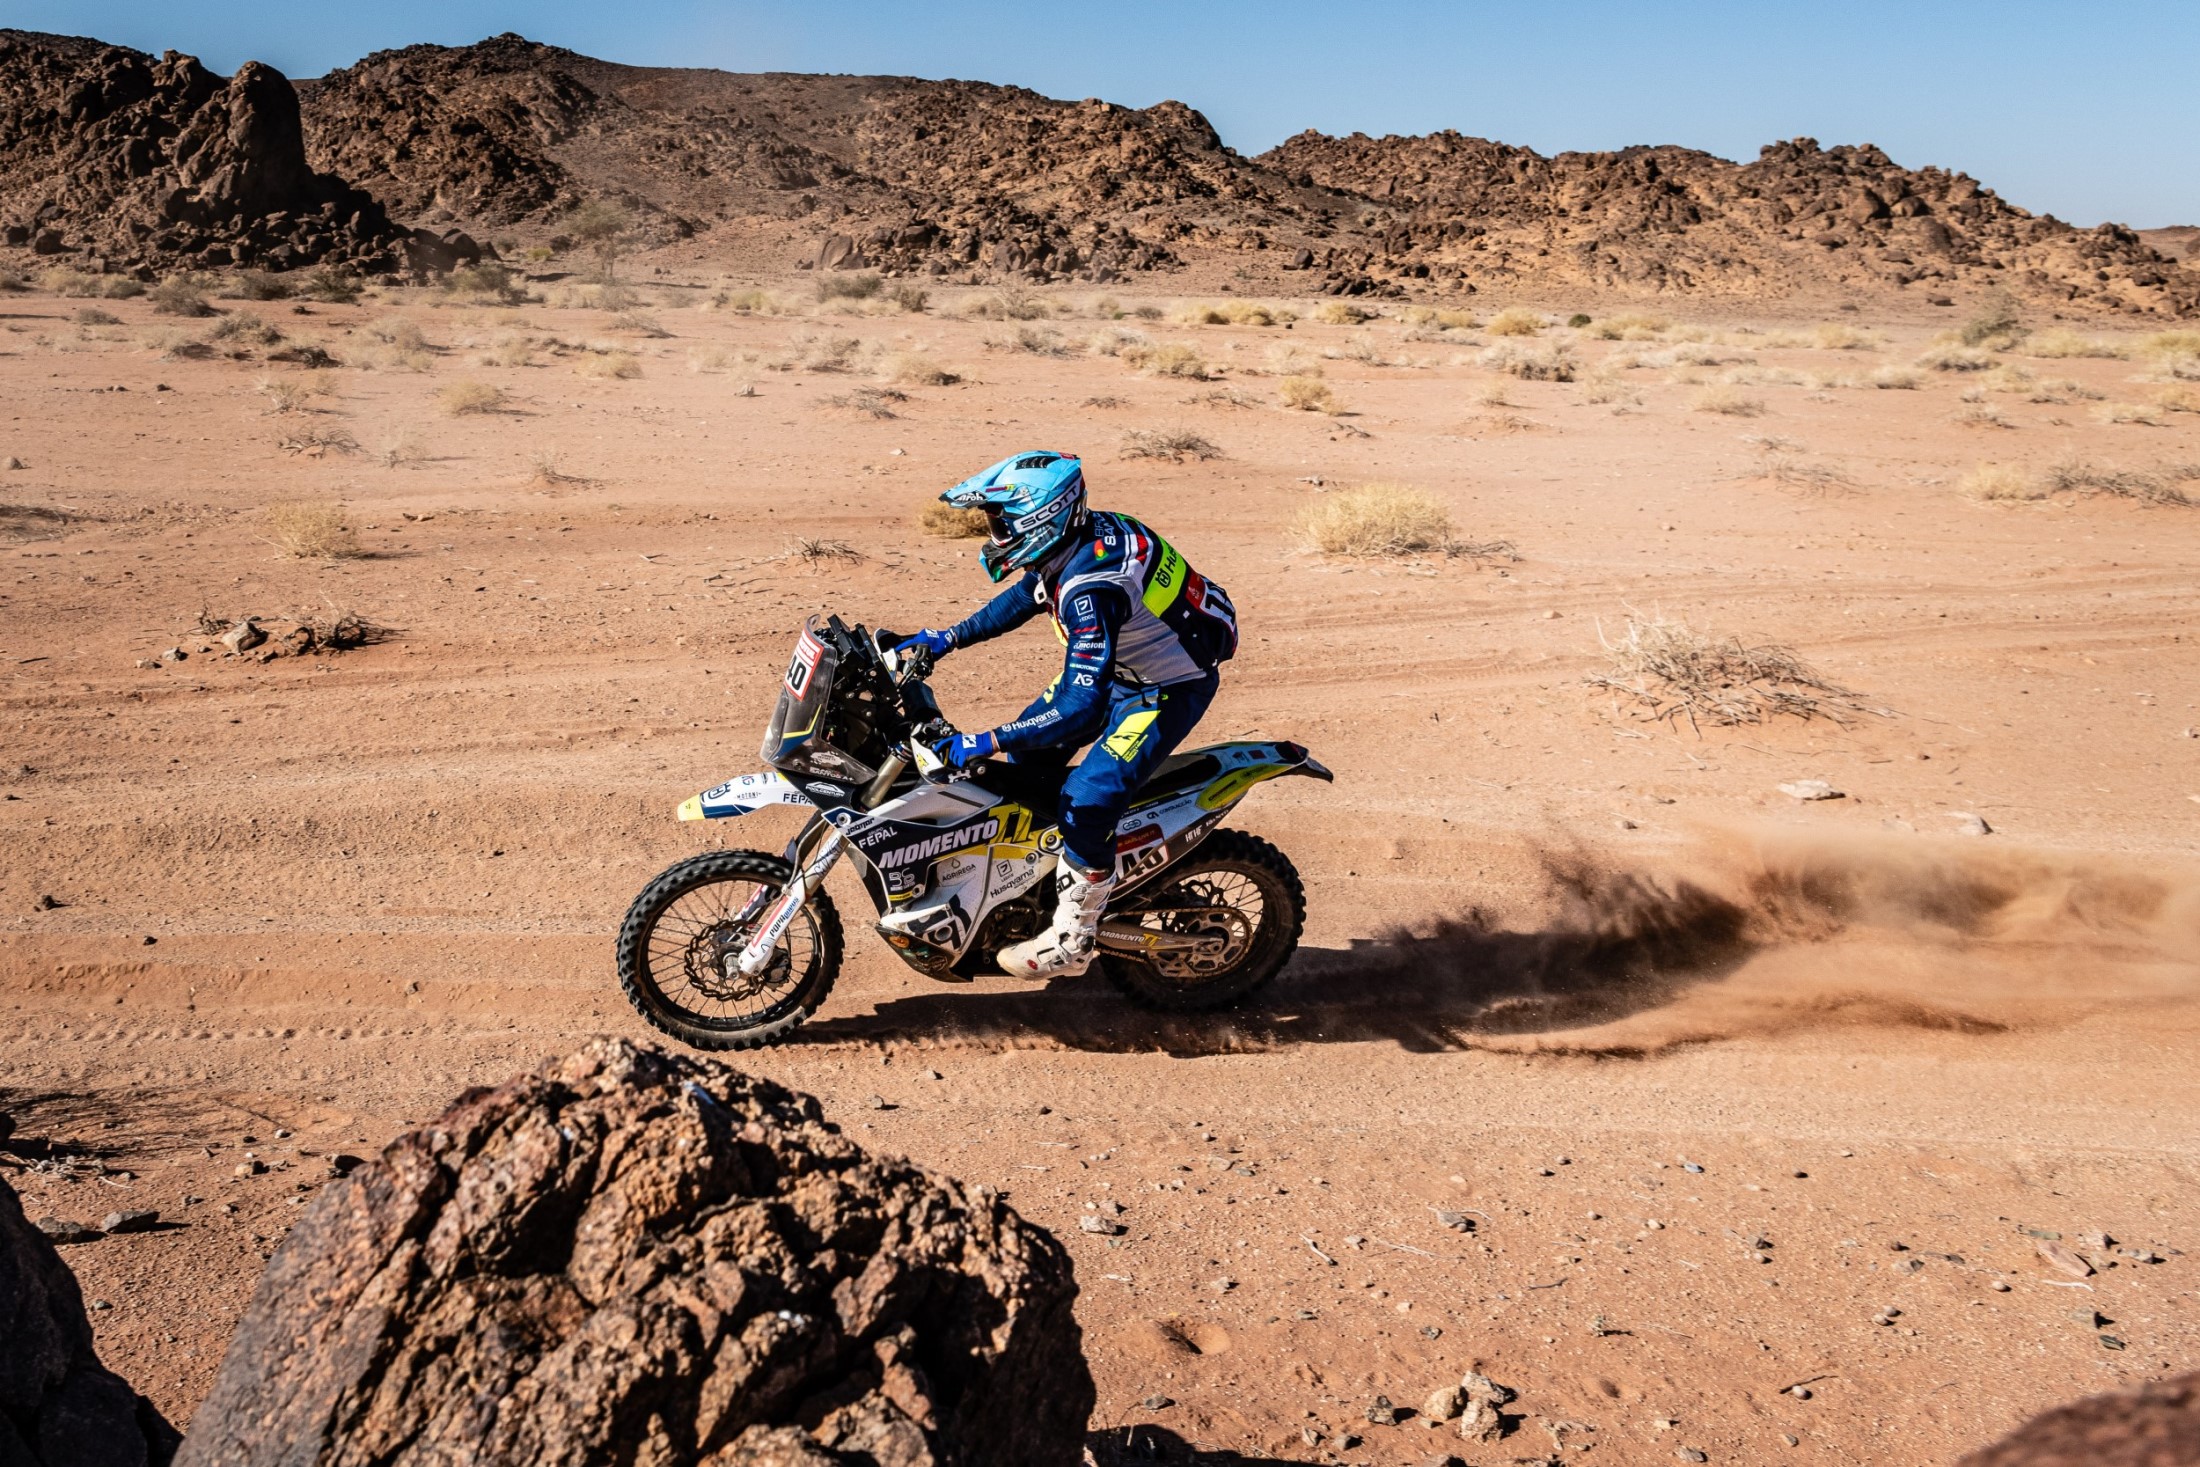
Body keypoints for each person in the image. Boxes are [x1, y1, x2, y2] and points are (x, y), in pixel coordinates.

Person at [897, 450, 1238, 977]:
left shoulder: (1091, 591)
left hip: (1164, 691)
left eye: (1001, 520)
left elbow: (1078, 710)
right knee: (1027, 763)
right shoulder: (1084, 538)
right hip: (1123, 671)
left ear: (1042, 517)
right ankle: (1031, 880)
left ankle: (1075, 935)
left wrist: (979, 741)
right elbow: (1031, 595)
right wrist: (944, 639)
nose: (995, 531)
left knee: (1086, 800)